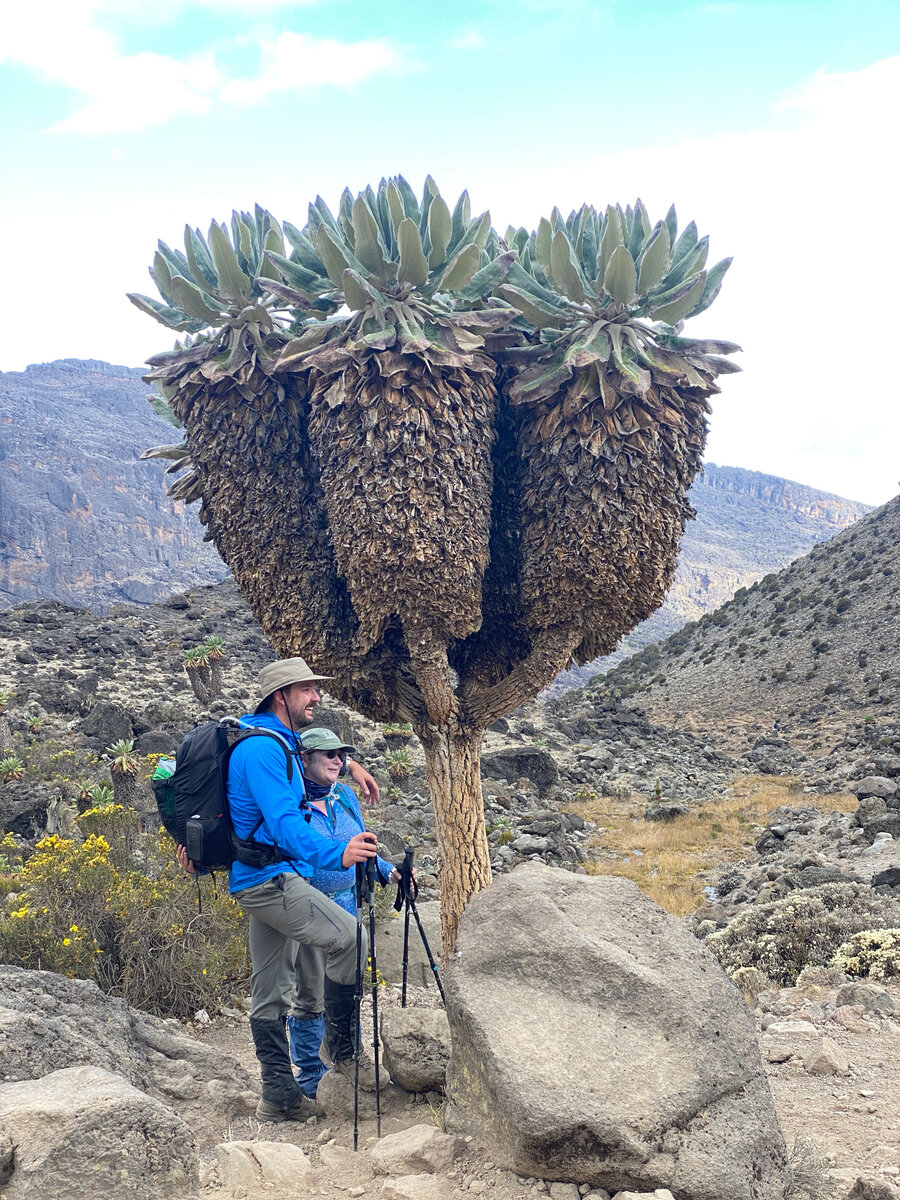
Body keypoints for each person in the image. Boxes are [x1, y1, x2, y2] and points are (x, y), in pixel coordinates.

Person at [177, 656, 385, 1123]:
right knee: (352, 938)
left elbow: (313, 759)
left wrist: (350, 766)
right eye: (307, 689)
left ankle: (278, 1096)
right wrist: (338, 854)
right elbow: (286, 824)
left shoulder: (278, 743)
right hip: (271, 880)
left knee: (269, 990)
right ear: (281, 696)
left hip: (257, 879)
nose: (316, 696)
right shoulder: (264, 751)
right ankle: (346, 1057)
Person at [288, 726, 403, 1098]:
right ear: (304, 759)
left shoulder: (346, 797)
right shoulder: (290, 803)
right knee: (309, 993)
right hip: (304, 905)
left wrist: (390, 871)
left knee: (346, 984)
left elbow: (363, 847)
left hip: (345, 904)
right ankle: (310, 1074)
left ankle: (344, 1053)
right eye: (329, 755)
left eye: (342, 755)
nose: (337, 760)